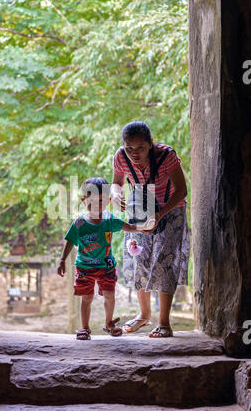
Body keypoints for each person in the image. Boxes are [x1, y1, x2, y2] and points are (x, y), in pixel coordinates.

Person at [111, 121, 190, 338]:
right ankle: (143, 314)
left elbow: (182, 190)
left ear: (151, 144)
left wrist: (159, 215)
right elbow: (116, 182)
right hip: (140, 207)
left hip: (170, 210)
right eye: (129, 148)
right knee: (139, 256)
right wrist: (116, 194)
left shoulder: (166, 156)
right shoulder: (120, 156)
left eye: (140, 148)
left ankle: (164, 322)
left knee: (164, 261)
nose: (134, 153)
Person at [57, 177, 149, 340]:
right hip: (84, 267)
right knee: (87, 297)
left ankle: (109, 324)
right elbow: (70, 241)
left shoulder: (109, 220)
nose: (96, 204)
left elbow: (129, 227)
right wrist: (62, 260)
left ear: (107, 200)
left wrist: (143, 228)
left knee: (109, 295)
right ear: (83, 201)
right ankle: (84, 328)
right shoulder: (79, 223)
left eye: (100, 200)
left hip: (107, 267)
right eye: (91, 200)